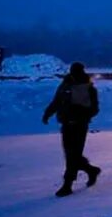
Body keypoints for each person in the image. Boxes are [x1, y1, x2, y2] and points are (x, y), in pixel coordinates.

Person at [43, 61, 101, 197]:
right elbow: (57, 101)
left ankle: (67, 184)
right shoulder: (65, 85)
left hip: (80, 125)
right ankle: (91, 170)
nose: (75, 74)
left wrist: (82, 115)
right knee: (71, 154)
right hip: (66, 124)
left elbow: (94, 108)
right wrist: (47, 113)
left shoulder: (88, 88)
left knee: (72, 156)